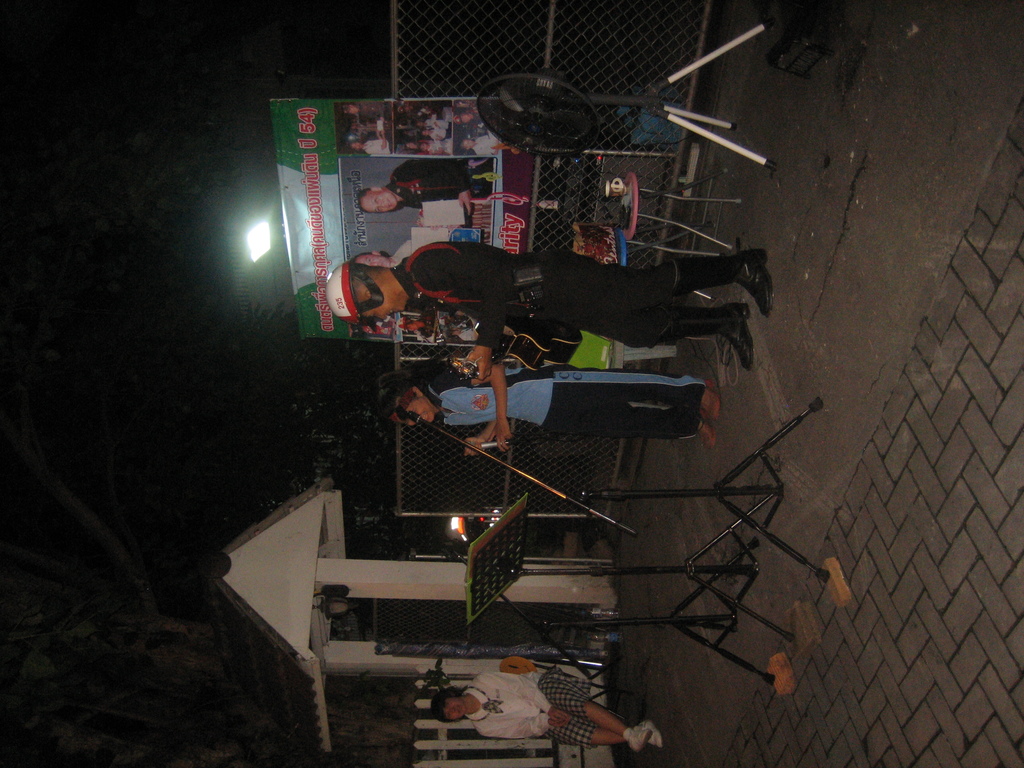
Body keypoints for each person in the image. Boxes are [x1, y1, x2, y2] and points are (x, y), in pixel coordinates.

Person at [324, 241, 772, 372]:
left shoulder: (424, 266)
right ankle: (726, 321)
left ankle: (741, 266)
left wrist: (484, 343)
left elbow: (496, 275)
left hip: (558, 279)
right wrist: (496, 339)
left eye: (369, 312)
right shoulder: (423, 288)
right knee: (640, 331)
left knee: (647, 288)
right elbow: (489, 300)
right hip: (552, 302)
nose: (379, 318)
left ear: (367, 291)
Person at [378, 359, 722, 449]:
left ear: (413, 393)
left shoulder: (446, 381)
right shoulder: (449, 418)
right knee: (622, 422)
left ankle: (694, 392)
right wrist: (485, 436)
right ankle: (689, 423)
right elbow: (495, 412)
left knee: (624, 386)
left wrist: (502, 420)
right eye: (409, 423)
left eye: (411, 415)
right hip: (548, 415)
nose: (416, 421)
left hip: (551, 387)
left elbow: (496, 371)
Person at [430, 668, 662, 751]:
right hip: (542, 721)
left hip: (541, 688)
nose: (453, 710)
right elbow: (522, 730)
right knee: (576, 734)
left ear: (451, 696)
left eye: (448, 705)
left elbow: (524, 686)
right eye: (449, 715)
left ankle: (631, 734)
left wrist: (548, 709)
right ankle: (639, 733)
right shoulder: (484, 727)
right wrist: (547, 721)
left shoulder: (483, 681)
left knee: (568, 703)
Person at [357, 158, 471, 214]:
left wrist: (464, 189)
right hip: (477, 193)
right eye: (378, 209)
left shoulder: (402, 174)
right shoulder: (408, 202)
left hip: (471, 170)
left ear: (376, 189)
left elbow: (447, 162)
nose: (382, 205)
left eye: (376, 200)